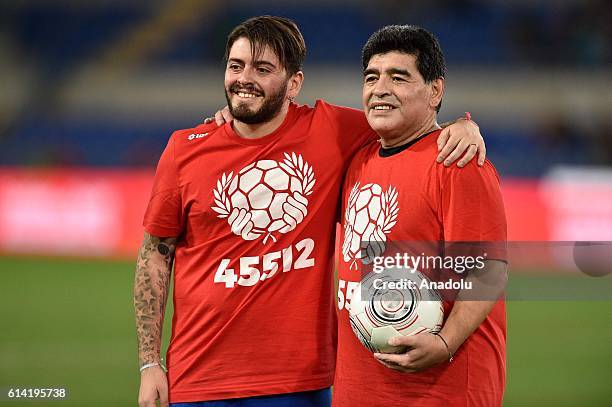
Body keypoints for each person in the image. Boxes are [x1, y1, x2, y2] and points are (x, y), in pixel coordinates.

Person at [134, 16, 486, 407]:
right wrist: (149, 364)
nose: (245, 78)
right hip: (199, 380)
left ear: (294, 83)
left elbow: (407, 121)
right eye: (236, 66)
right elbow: (154, 257)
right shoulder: (185, 149)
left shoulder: (332, 131)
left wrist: (463, 124)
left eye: (262, 69)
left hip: (300, 384)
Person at [334, 25, 507, 406]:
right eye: (371, 77)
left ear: (435, 91)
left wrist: (444, 343)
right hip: (359, 388)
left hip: (438, 390)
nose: (380, 88)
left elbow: (488, 269)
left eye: (399, 77)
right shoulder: (358, 160)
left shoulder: (457, 162)